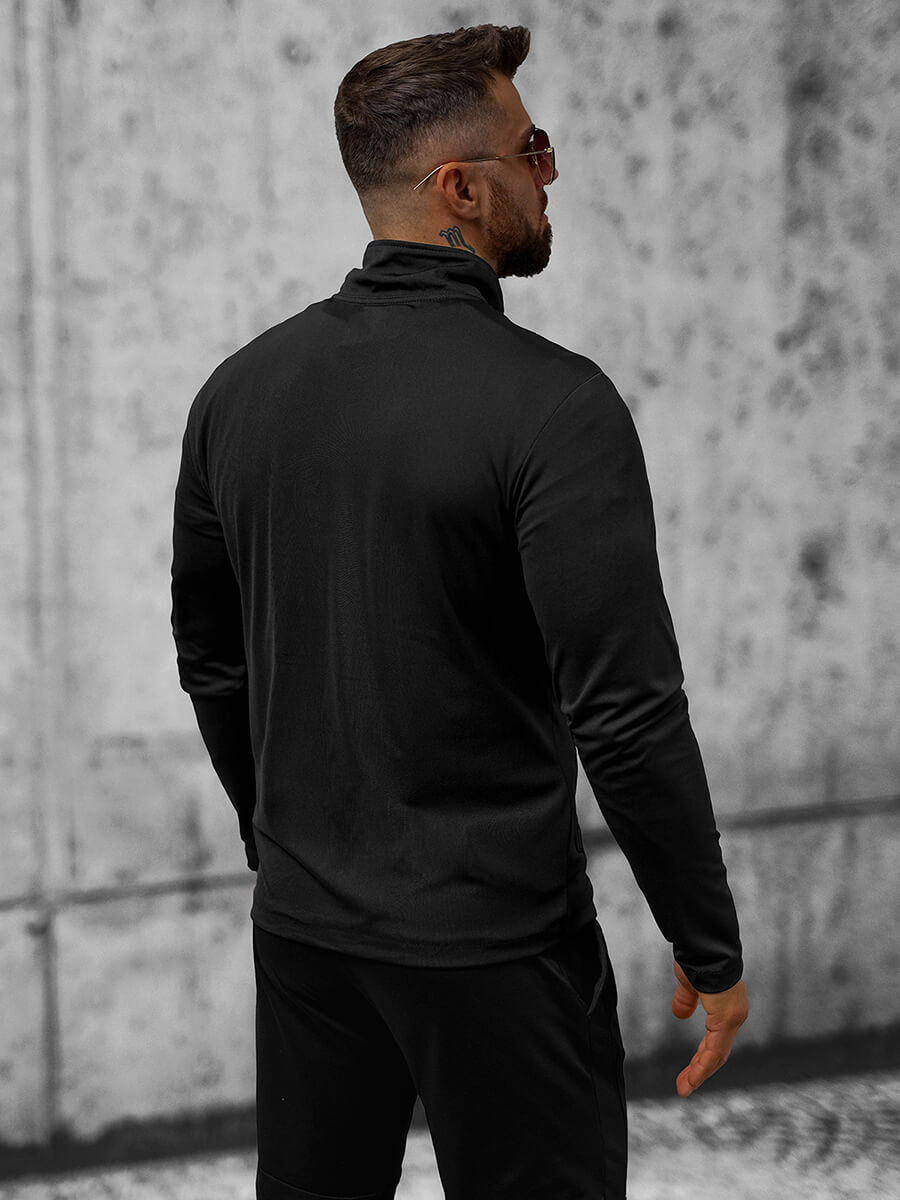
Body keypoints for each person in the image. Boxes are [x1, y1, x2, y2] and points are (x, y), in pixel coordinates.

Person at [170, 22, 748, 1200]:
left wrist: (282, 843)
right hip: (499, 948)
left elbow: (211, 659)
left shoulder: (239, 393)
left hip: (307, 939)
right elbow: (626, 712)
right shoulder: (557, 409)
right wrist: (707, 941)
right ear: (462, 189)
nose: (550, 172)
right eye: (532, 149)